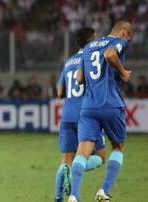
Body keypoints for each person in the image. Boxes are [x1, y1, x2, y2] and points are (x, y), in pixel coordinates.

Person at [68, 21, 133, 202]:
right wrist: (122, 73)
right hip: (111, 104)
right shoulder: (118, 42)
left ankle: (73, 196)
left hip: (89, 107)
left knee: (82, 153)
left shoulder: (88, 47)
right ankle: (104, 191)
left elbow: (79, 79)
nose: (129, 41)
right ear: (124, 33)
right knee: (118, 147)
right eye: (129, 37)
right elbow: (110, 54)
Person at [54, 27, 106, 202]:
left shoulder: (68, 62)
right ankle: (76, 167)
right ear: (91, 40)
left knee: (64, 161)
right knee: (100, 157)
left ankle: (58, 198)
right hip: (86, 115)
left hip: (68, 114)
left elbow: (60, 91)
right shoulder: (92, 59)